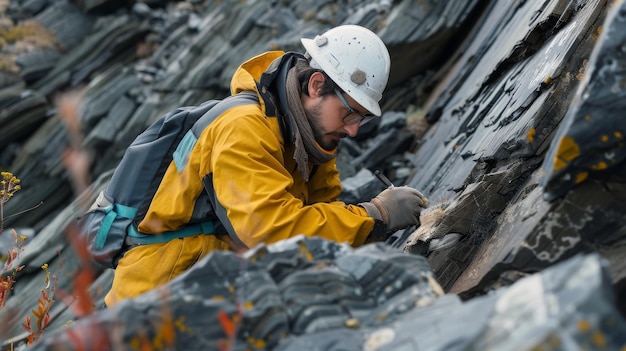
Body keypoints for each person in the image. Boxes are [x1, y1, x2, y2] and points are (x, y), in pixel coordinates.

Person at [104, 25, 428, 306]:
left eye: (363, 118)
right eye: (351, 114)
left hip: (216, 280)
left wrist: (367, 225)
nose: (354, 129)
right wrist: (376, 215)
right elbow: (273, 231)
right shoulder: (243, 128)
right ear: (316, 86)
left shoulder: (306, 137)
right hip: (158, 297)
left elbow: (323, 210)